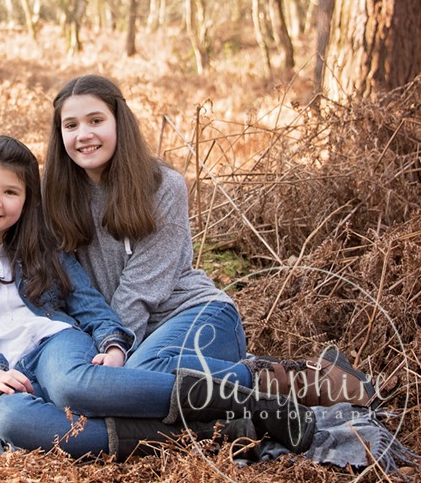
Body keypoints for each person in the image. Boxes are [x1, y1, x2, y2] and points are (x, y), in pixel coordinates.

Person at [0, 135, 316, 460]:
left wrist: (112, 342)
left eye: (10, 191)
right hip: (2, 371)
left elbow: (87, 302)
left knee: (72, 388)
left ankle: (245, 382)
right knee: (10, 422)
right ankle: (224, 422)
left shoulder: (43, 245)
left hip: (56, 345)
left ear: (26, 201)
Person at [43, 74, 375, 408]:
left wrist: (116, 347)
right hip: (125, 335)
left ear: (119, 122)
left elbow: (140, 289)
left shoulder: (162, 187)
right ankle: (249, 411)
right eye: (70, 126)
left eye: (96, 120)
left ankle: (302, 378)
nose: (83, 135)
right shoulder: (54, 197)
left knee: (145, 371)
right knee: (131, 382)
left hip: (196, 316)